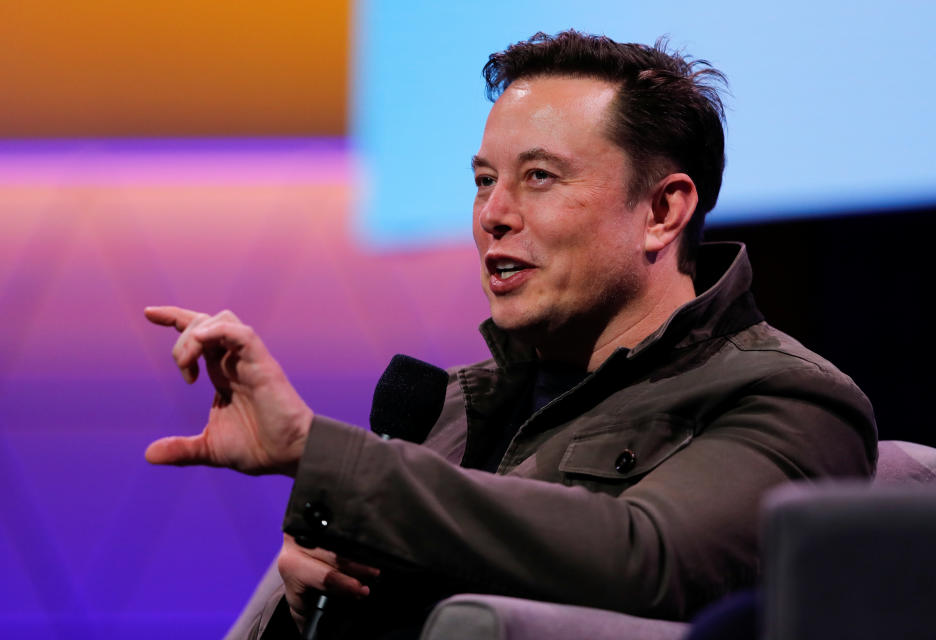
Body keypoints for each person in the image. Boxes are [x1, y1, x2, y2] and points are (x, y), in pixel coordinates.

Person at [144, 31, 877, 639]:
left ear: (661, 211)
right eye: (483, 179)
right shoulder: (457, 408)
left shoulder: (787, 397)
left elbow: (652, 562)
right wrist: (311, 610)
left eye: (539, 178)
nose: (493, 212)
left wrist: (320, 451)